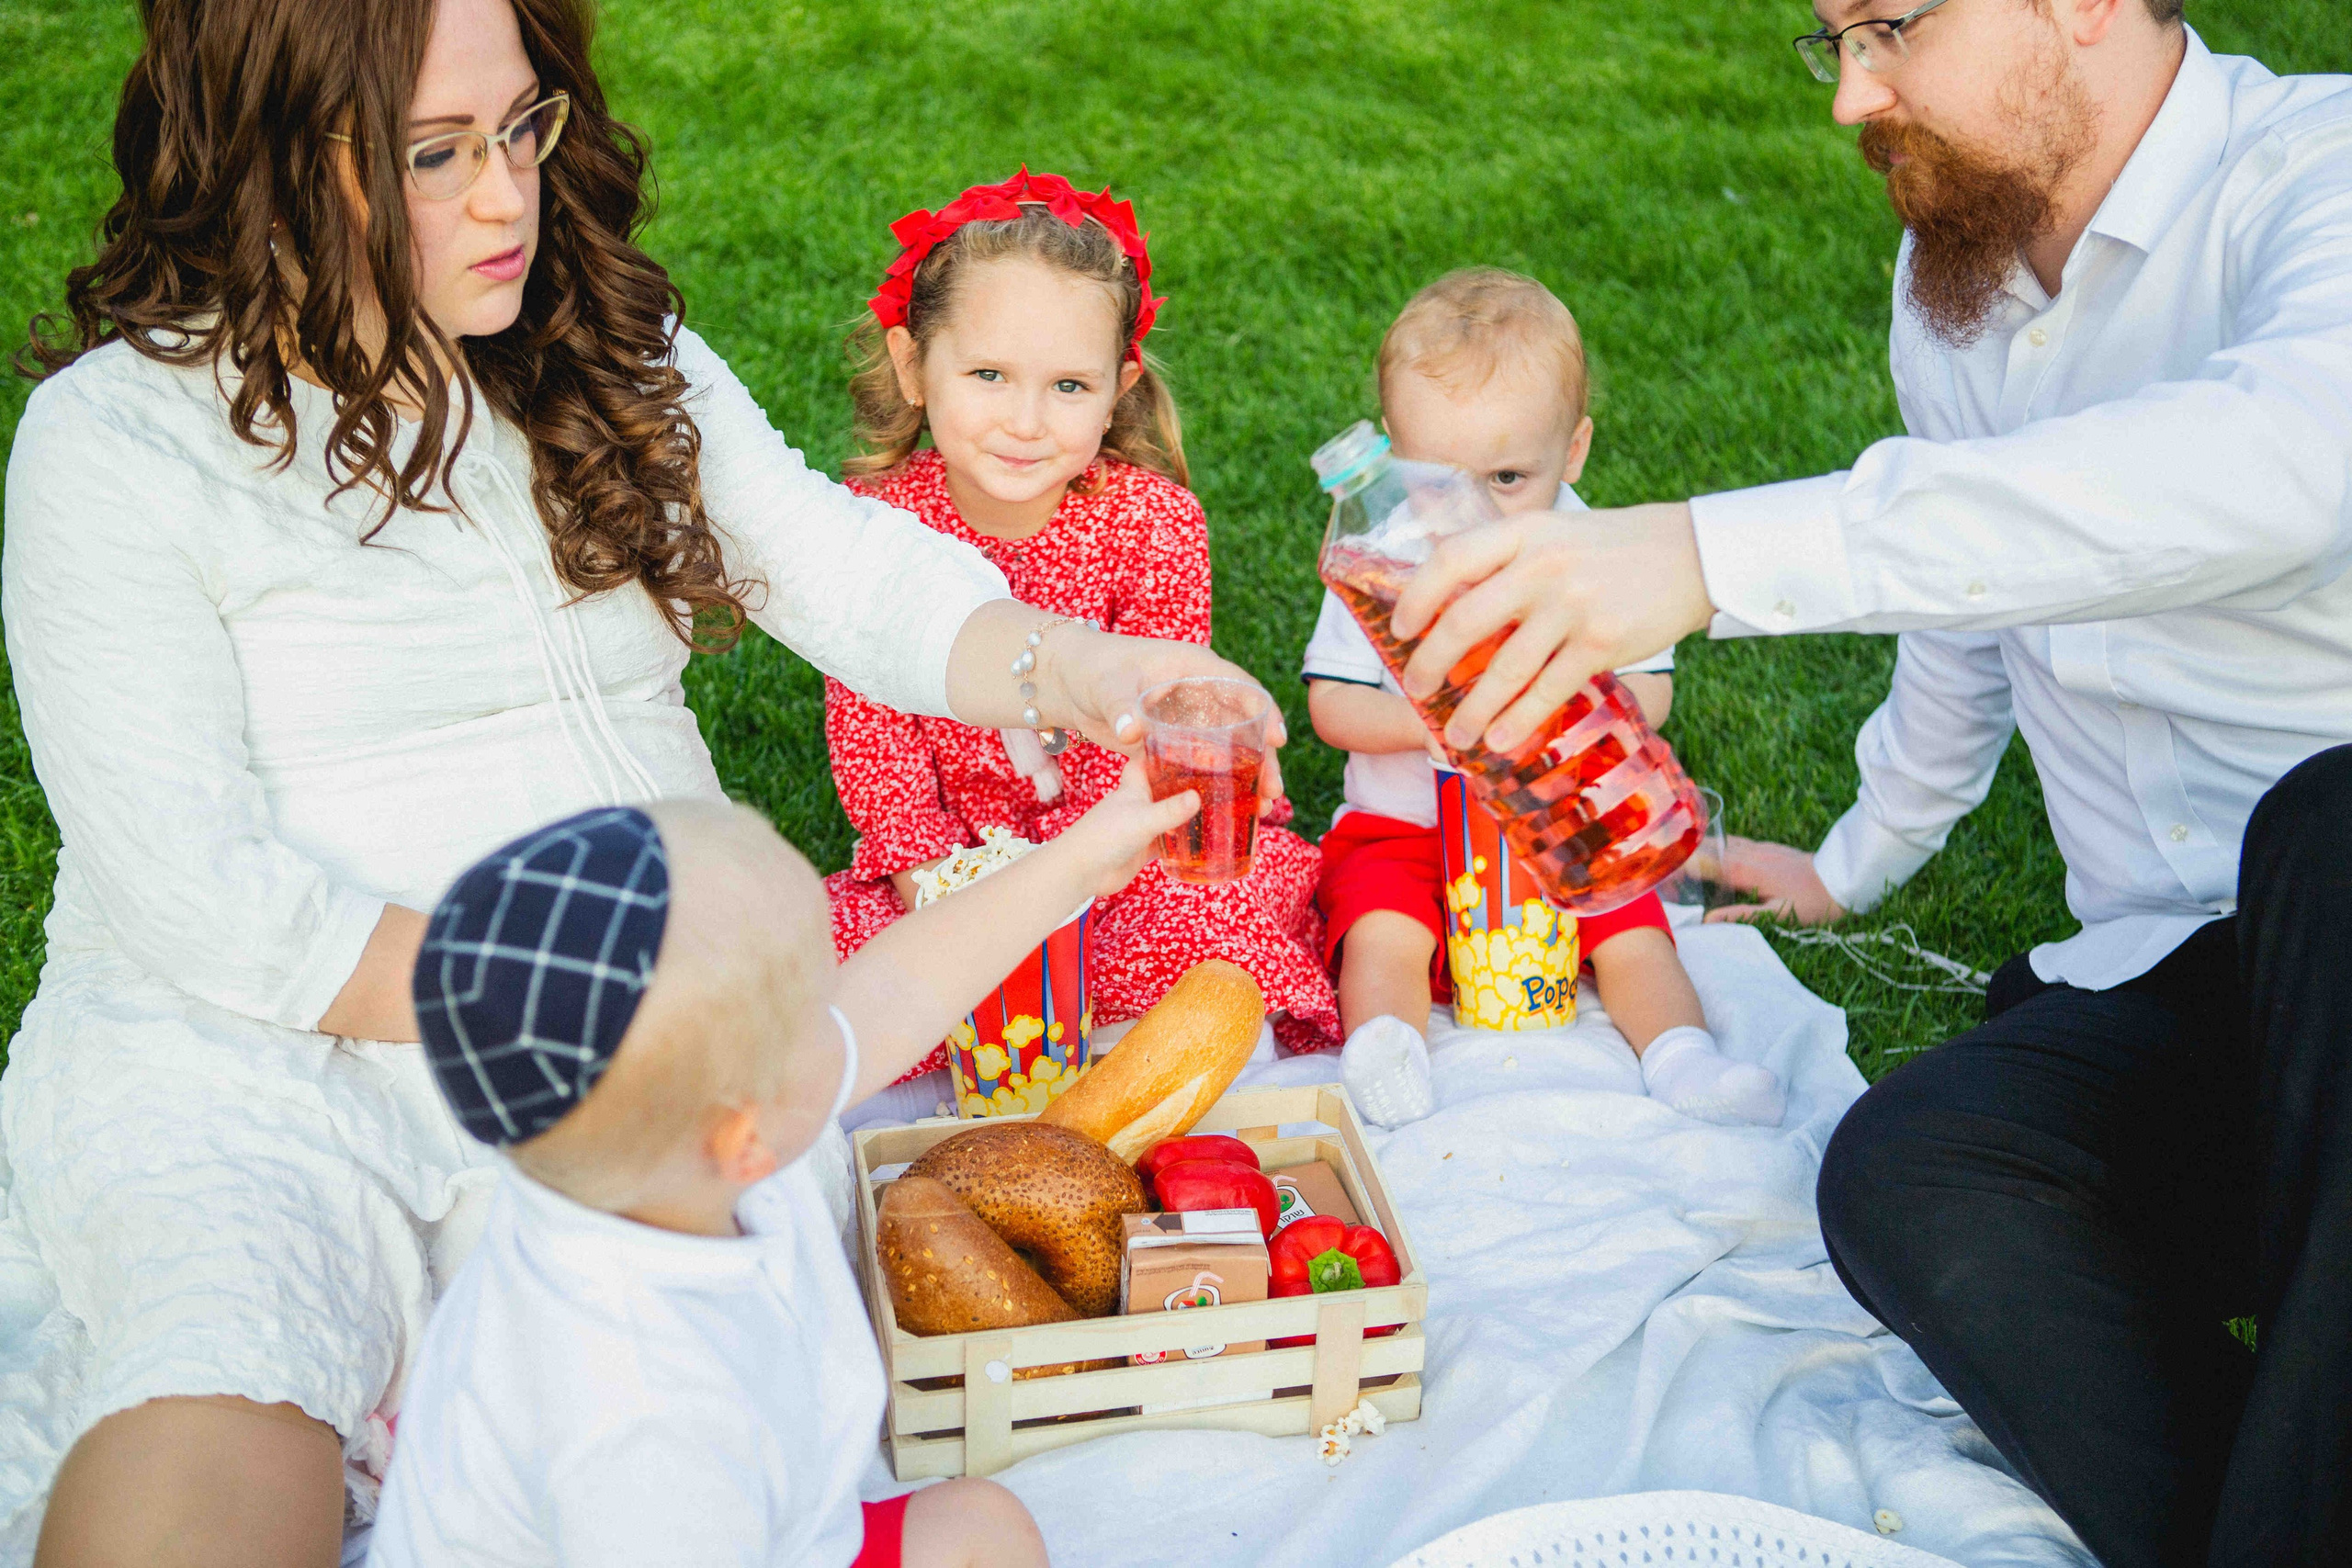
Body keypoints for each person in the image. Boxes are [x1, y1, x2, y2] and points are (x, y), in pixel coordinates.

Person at [0, 1, 1275, 1561]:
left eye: (523, 127)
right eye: (435, 153)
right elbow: (210, 907)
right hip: (267, 1069)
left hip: (635, 1069)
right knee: (227, 1391)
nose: (506, 198)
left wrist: (1089, 670)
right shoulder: (115, 444)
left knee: (658, 1432)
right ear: (270, 156)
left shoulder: (597, 338)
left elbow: (842, 569)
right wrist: (624, 1006)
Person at [1386, 3, 2352, 1563]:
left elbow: (2288, 463)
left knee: (2334, 823)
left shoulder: (2321, 174)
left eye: (1891, 26)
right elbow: (1971, 597)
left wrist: (1705, 553)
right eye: (1830, 40)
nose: (1854, 96)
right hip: (2187, 987)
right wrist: (1854, 859)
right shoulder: (1954, 286)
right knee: (1914, 1169)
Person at [370, 778, 1193, 1566]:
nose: (838, 1007)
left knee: (985, 1522)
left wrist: (1082, 855)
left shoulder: (645, 1150)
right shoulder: (645, 1420)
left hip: (775, 1525)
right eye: (810, 1002)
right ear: (746, 1136)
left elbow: (898, 988)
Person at [824, 170, 1340, 1066]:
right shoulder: (874, 530)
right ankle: (1006, 1049)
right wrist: (943, 890)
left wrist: (1090, 879)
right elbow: (879, 758)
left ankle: (1137, 1052)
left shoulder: (1153, 524)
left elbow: (1166, 734)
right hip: (954, 869)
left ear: (1118, 386)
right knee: (825, 957)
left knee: (1210, 919)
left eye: (1068, 386)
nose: (1025, 422)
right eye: (988, 374)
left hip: (1122, 857)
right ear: (912, 365)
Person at [1303, 268, 1781, 1126]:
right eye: (1435, 479)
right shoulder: (1379, 558)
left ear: (1574, 451)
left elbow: (1651, 688)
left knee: (1629, 923)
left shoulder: (1596, 557)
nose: (1471, 515)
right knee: (1380, 928)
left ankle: (1683, 1058)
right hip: (1406, 828)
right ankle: (1388, 1051)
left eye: (1509, 478)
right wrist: (1433, 724)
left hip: (1562, 822)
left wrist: (1564, 706)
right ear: (1389, 454)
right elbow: (1331, 708)